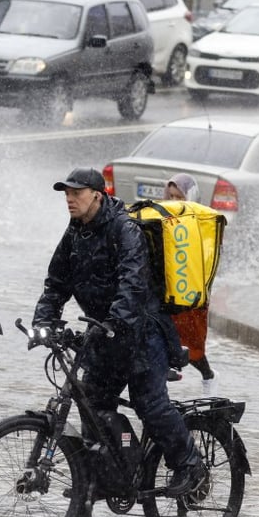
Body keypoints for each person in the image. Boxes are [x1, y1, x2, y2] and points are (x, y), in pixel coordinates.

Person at [32, 167, 204, 497]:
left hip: (142, 332)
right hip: (105, 334)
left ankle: (190, 464)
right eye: (66, 193)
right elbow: (56, 283)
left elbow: (133, 282)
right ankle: (102, 476)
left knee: (149, 403)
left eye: (76, 193)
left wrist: (117, 320)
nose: (69, 199)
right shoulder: (74, 233)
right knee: (91, 402)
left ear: (97, 195)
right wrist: (44, 322)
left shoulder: (124, 228)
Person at [164, 173, 218, 397]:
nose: (175, 201)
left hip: (192, 292)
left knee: (192, 344)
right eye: (172, 196)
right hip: (169, 291)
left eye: (180, 196)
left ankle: (208, 375)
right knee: (164, 337)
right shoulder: (164, 219)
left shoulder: (202, 222)